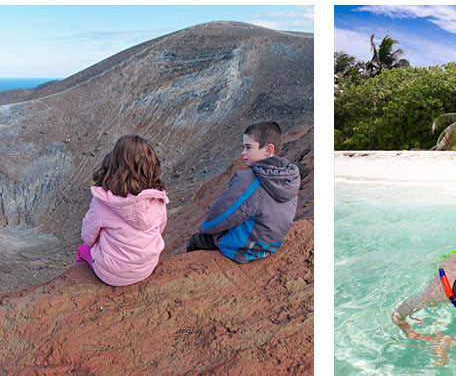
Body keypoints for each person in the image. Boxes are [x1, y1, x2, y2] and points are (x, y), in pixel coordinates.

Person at [186, 120, 299, 263]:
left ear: (268, 150)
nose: (243, 152)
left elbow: (222, 214)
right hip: (271, 245)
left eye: (248, 147)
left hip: (246, 249)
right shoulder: (290, 177)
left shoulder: (248, 180)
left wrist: (204, 229)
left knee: (197, 240)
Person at [77, 134, 169, 286]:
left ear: (114, 165)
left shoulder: (103, 201)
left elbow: (88, 236)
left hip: (111, 274)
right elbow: (160, 229)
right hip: (146, 267)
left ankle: (80, 281)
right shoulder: (157, 198)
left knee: (83, 250)